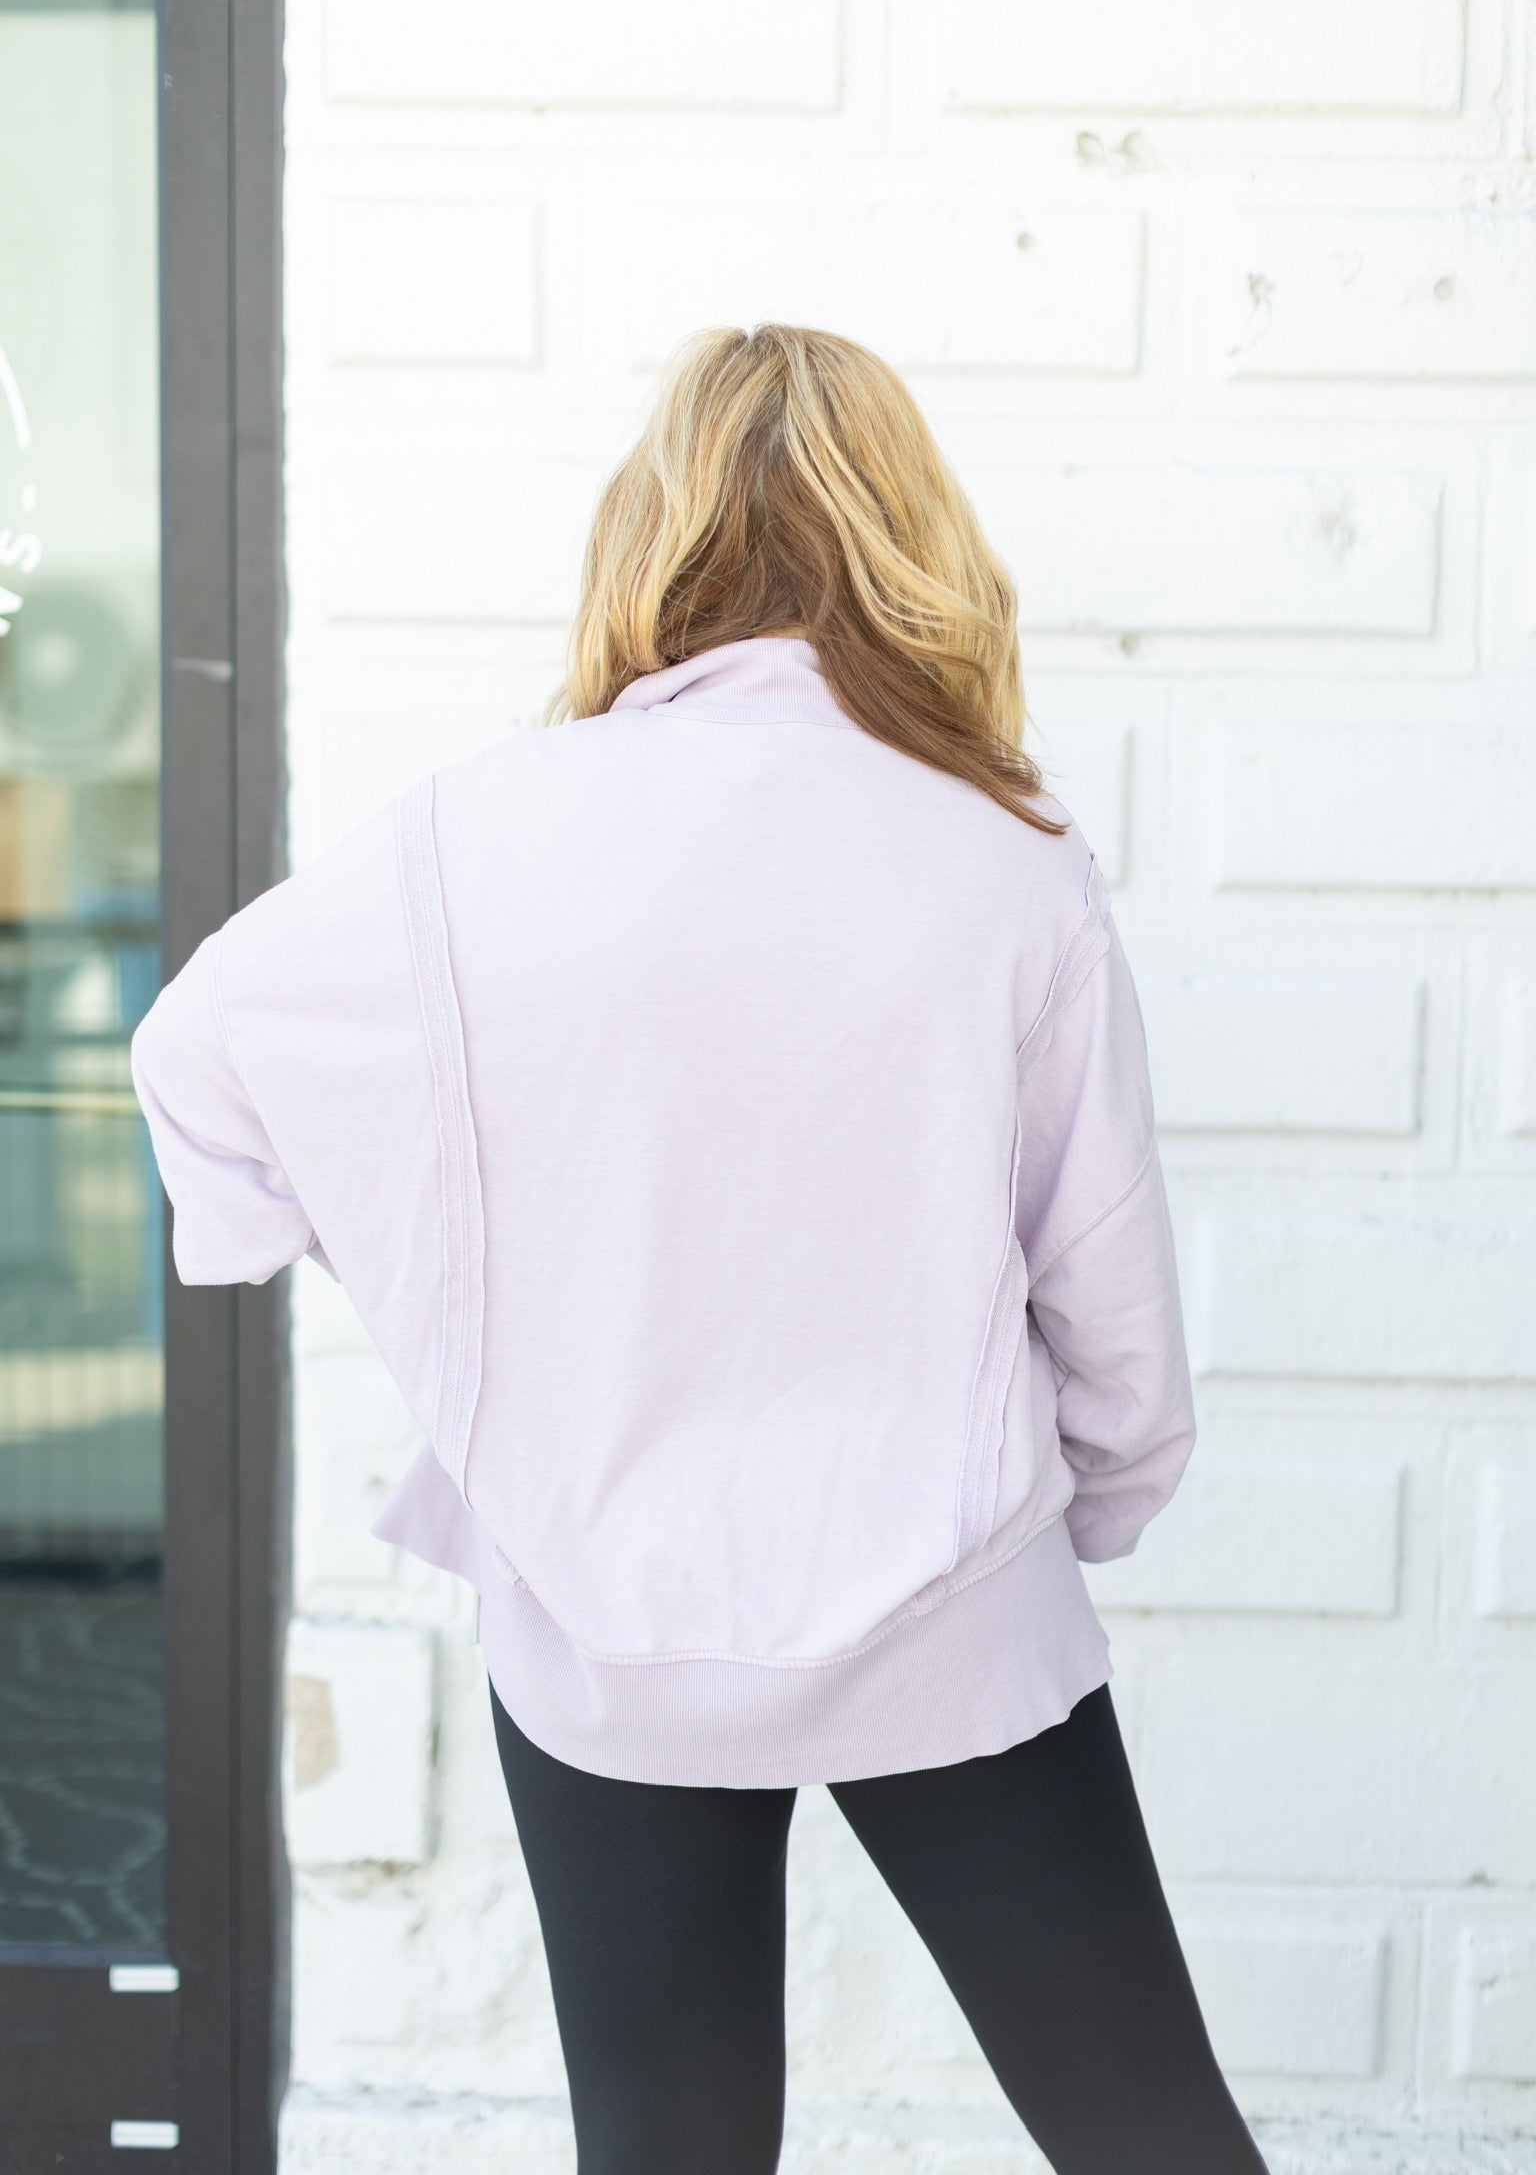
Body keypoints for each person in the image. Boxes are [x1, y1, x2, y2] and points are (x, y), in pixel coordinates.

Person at [132, 324, 1268, 2175]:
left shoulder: (468, 836)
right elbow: (1111, 1293)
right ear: (914, 542)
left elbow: (202, 1061)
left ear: (644, 542)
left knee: (665, 2149)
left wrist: (467, 1291)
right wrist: (1094, 1504)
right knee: (1150, 2132)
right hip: (956, 1604)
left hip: (600, 1619)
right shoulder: (1005, 861)